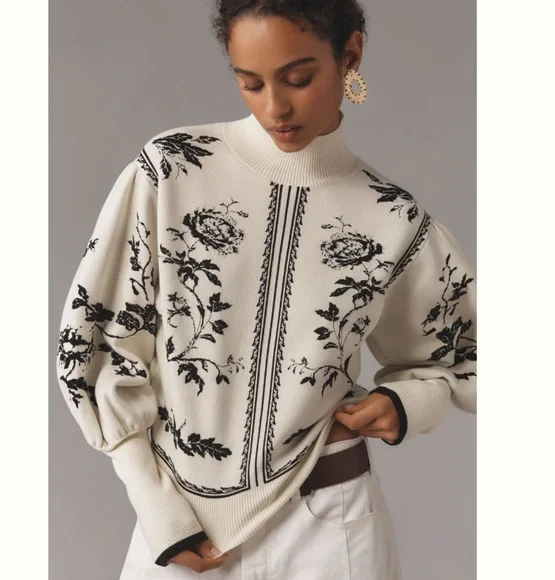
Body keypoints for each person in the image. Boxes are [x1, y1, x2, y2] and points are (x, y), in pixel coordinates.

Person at [55, 1, 477, 578]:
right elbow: (97, 345)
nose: (274, 106)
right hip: (178, 522)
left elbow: (468, 354)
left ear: (350, 55)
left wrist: (409, 403)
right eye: (250, 83)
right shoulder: (171, 170)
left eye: (298, 79)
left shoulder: (393, 218)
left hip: (331, 523)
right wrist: (157, 508)